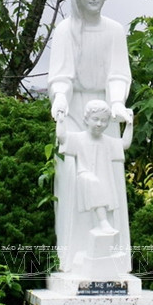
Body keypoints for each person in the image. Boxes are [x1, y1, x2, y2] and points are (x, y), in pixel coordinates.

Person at [48, 0, 132, 273]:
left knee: (108, 182)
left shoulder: (114, 31)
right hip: (72, 112)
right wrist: (59, 99)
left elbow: (118, 74)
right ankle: (74, 260)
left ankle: (112, 259)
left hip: (105, 114)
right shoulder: (65, 31)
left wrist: (118, 105)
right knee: (74, 182)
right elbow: (61, 76)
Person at [56, 99, 133, 236]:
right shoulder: (78, 139)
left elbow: (125, 144)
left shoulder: (108, 142)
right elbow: (62, 137)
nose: (99, 124)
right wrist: (60, 119)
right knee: (92, 182)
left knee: (99, 185)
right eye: (95, 119)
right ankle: (103, 222)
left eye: (104, 121)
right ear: (86, 119)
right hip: (85, 177)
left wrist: (129, 123)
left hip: (103, 178)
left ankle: (102, 223)